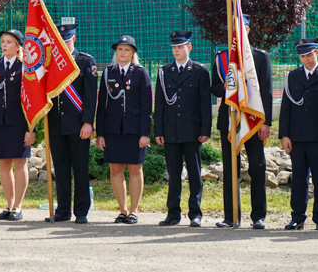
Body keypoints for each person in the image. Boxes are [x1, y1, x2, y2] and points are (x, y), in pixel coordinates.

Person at [211, 14, 273, 229]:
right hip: (230, 120)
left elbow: (266, 91)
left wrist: (266, 124)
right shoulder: (221, 58)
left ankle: (258, 217)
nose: (236, 32)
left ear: (247, 30)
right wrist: (232, 87)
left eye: (241, 27)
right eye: (232, 29)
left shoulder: (260, 57)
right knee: (230, 169)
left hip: (254, 120)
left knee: (257, 167)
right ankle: (231, 216)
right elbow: (215, 88)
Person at [279, 38, 318, 231]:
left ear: (317, 53)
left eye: (309, 55)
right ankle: (297, 217)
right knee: (298, 179)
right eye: (302, 56)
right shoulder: (292, 77)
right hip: (296, 136)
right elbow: (286, 108)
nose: (305, 59)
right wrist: (284, 135)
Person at [154, 30, 211, 227]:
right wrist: (159, 131)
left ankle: (195, 213)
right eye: (174, 47)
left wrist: (205, 129)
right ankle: (173, 213)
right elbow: (160, 104)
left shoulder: (200, 71)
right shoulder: (164, 72)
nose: (176, 50)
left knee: (194, 174)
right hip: (171, 130)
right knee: (174, 174)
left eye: (180, 47)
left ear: (189, 47)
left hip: (192, 130)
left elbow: (205, 103)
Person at [95, 35, 152, 225]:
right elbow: (101, 104)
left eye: (127, 50)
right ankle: (123, 210)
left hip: (134, 130)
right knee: (115, 169)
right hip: (112, 130)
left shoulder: (140, 73)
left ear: (133, 53)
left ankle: (134, 211)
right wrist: (100, 133)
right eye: (120, 49)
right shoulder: (108, 72)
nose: (123, 53)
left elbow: (146, 105)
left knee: (135, 169)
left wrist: (145, 133)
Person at [45, 23, 97, 224]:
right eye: (61, 40)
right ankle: (63, 210)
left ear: (74, 39)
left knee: (81, 169)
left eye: (67, 40)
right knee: (61, 168)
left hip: (78, 126)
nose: (64, 44)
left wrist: (87, 123)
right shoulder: (50, 63)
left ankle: (81, 212)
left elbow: (91, 97)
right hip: (56, 124)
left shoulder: (85, 62)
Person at [0, 29, 35, 221]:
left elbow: (32, 100)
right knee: (3, 164)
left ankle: (18, 207)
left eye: (9, 42)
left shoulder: (25, 67)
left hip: (20, 123)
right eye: (3, 41)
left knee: (20, 162)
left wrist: (31, 128)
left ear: (18, 46)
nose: (4, 45)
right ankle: (9, 204)